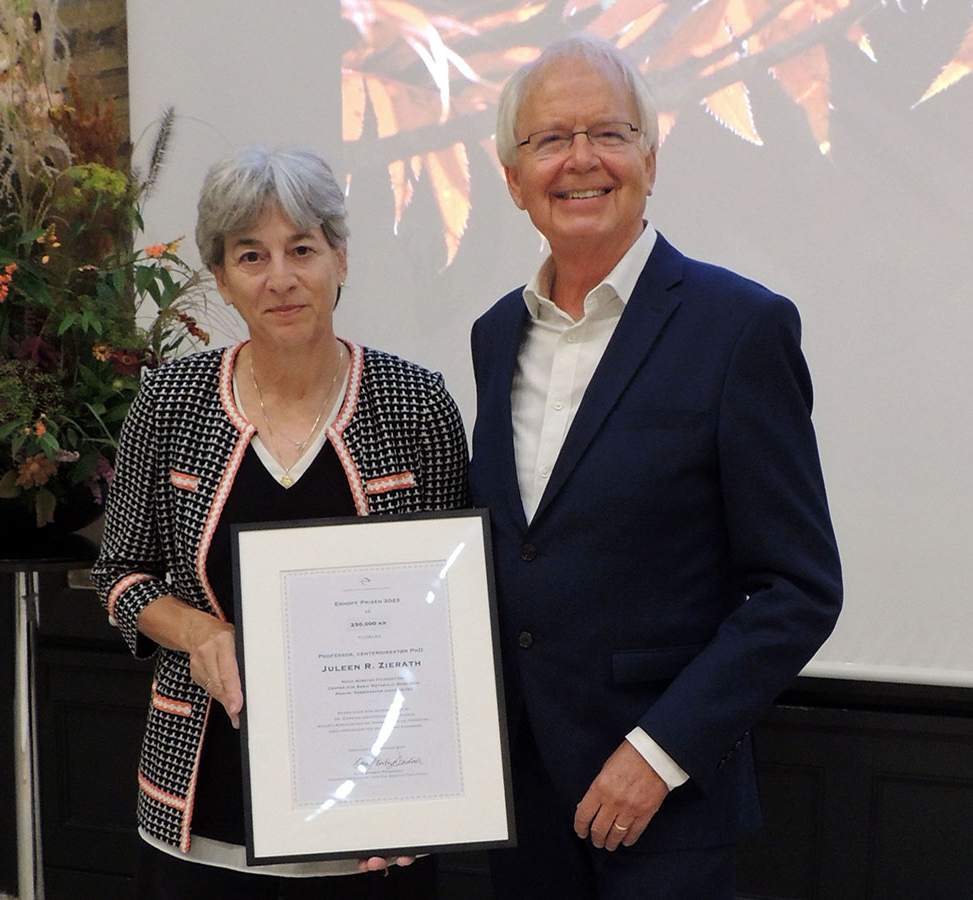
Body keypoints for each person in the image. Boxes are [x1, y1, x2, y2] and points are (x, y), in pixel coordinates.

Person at [468, 34, 842, 900]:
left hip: (663, 811)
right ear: (513, 177)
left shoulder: (739, 328)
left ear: (650, 156)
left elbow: (798, 590)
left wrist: (657, 754)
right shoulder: (494, 336)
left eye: (608, 131)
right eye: (550, 139)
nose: (581, 159)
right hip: (520, 804)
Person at [91, 146, 467, 899]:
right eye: (251, 256)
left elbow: (456, 610)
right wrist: (199, 631)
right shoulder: (171, 403)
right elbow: (119, 575)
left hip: (377, 819)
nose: (281, 278)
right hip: (202, 811)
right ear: (223, 280)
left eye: (303, 249)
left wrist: (432, 794)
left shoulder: (416, 403)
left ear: (341, 259)